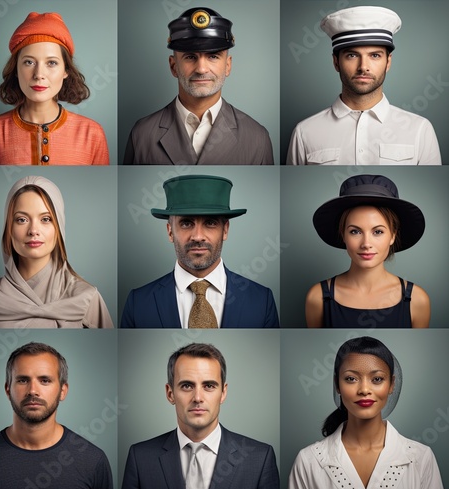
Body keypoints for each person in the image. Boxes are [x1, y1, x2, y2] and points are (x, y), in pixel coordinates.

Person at [288, 336, 446, 489]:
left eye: (377, 379)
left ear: (391, 384)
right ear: (337, 385)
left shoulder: (421, 457)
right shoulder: (308, 461)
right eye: (351, 379)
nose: (364, 389)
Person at [121, 342, 280, 489]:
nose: (197, 398)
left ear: (223, 393)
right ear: (170, 394)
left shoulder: (260, 458)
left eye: (209, 386)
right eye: (186, 386)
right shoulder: (140, 458)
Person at [0, 342, 114, 489]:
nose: (32, 391)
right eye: (23, 380)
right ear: (7, 390)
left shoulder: (93, 461)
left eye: (45, 380)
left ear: (63, 391)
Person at [286, 6, 441, 165]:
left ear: (388, 62)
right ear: (336, 62)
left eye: (375, 55)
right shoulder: (305, 132)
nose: (363, 66)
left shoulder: (420, 130)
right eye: (352, 55)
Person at [120, 174, 279, 328]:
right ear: (170, 231)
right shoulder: (138, 303)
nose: (197, 236)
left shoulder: (261, 300)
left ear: (225, 230)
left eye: (210, 223)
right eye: (186, 223)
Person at [0, 175, 114, 328]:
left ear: (59, 227)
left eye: (46, 219)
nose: (33, 231)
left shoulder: (87, 297)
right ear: (8, 228)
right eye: (22, 220)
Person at [123, 7, 274, 165]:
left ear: (228, 66)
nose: (201, 69)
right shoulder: (141, 134)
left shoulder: (257, 138)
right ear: (173, 66)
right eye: (190, 57)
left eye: (213, 56)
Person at [0, 12, 109, 165]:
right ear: (15, 69)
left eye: (51, 63)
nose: (39, 74)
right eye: (29, 62)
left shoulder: (92, 133)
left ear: (66, 70)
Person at [305, 174, 430, 328]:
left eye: (377, 232)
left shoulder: (418, 299)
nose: (366, 244)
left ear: (393, 235)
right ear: (342, 234)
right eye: (355, 232)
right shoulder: (316, 297)